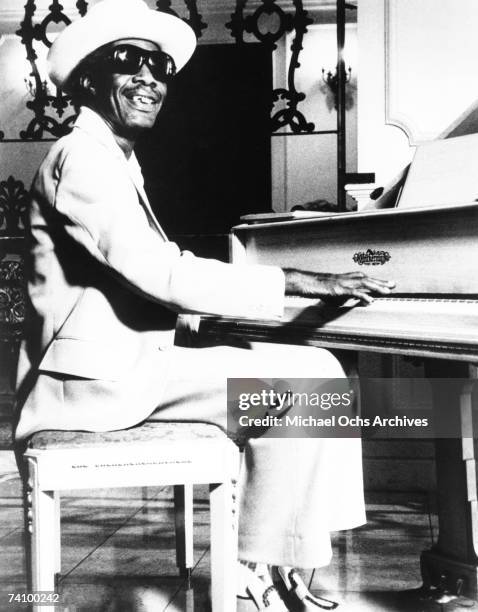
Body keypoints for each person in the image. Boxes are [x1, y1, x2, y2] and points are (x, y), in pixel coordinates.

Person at [14, 0, 394, 609]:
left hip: (137, 360)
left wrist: (234, 319)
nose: (150, 78)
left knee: (316, 374)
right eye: (128, 63)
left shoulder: (114, 159)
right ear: (89, 79)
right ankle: (261, 567)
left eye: (160, 68)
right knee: (315, 381)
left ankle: (274, 561)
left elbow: (136, 282)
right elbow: (162, 274)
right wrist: (298, 281)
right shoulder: (80, 156)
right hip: (95, 382)